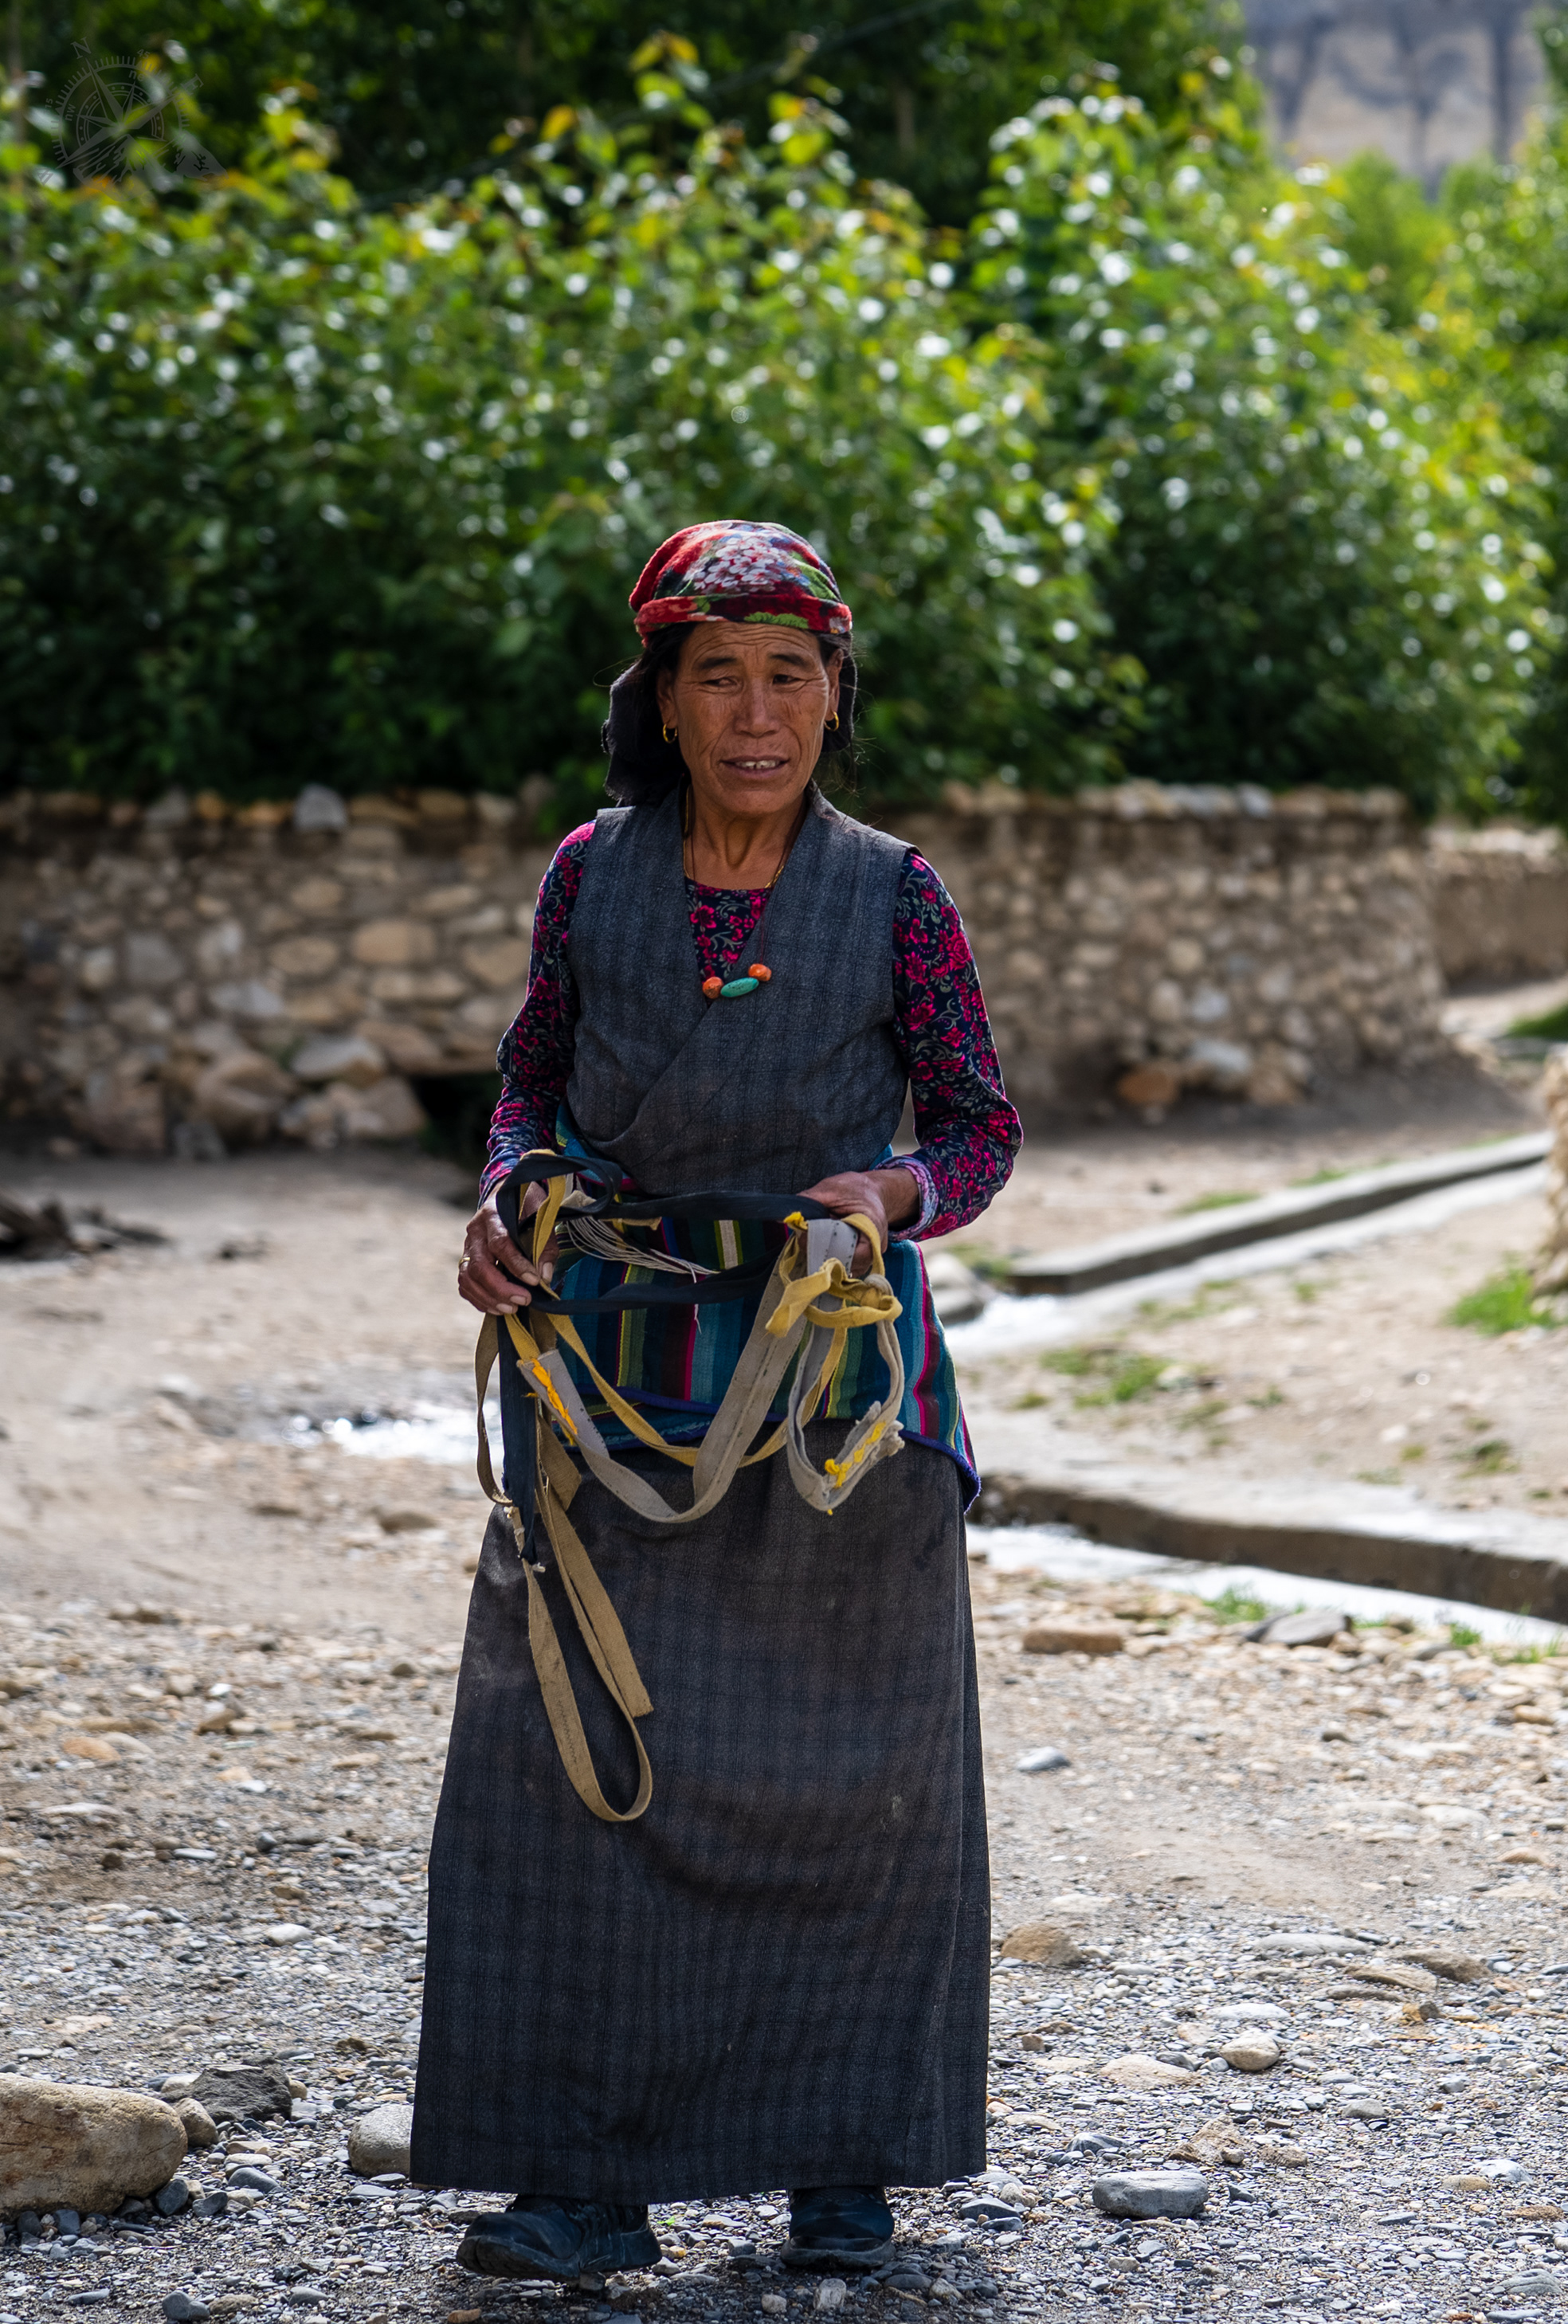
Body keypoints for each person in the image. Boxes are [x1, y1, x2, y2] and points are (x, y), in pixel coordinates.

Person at [422, 520, 1021, 2281]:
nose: (756, 710)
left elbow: (976, 1127)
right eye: (717, 674)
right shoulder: (588, 877)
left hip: (831, 1386)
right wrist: (504, 1195)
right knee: (571, 1768)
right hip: (609, 1362)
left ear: (836, 696)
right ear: (663, 702)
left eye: (790, 672)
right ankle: (579, 2181)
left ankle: (842, 2164)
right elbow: (527, 1088)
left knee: (850, 1778)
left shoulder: (897, 892)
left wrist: (895, 1199)